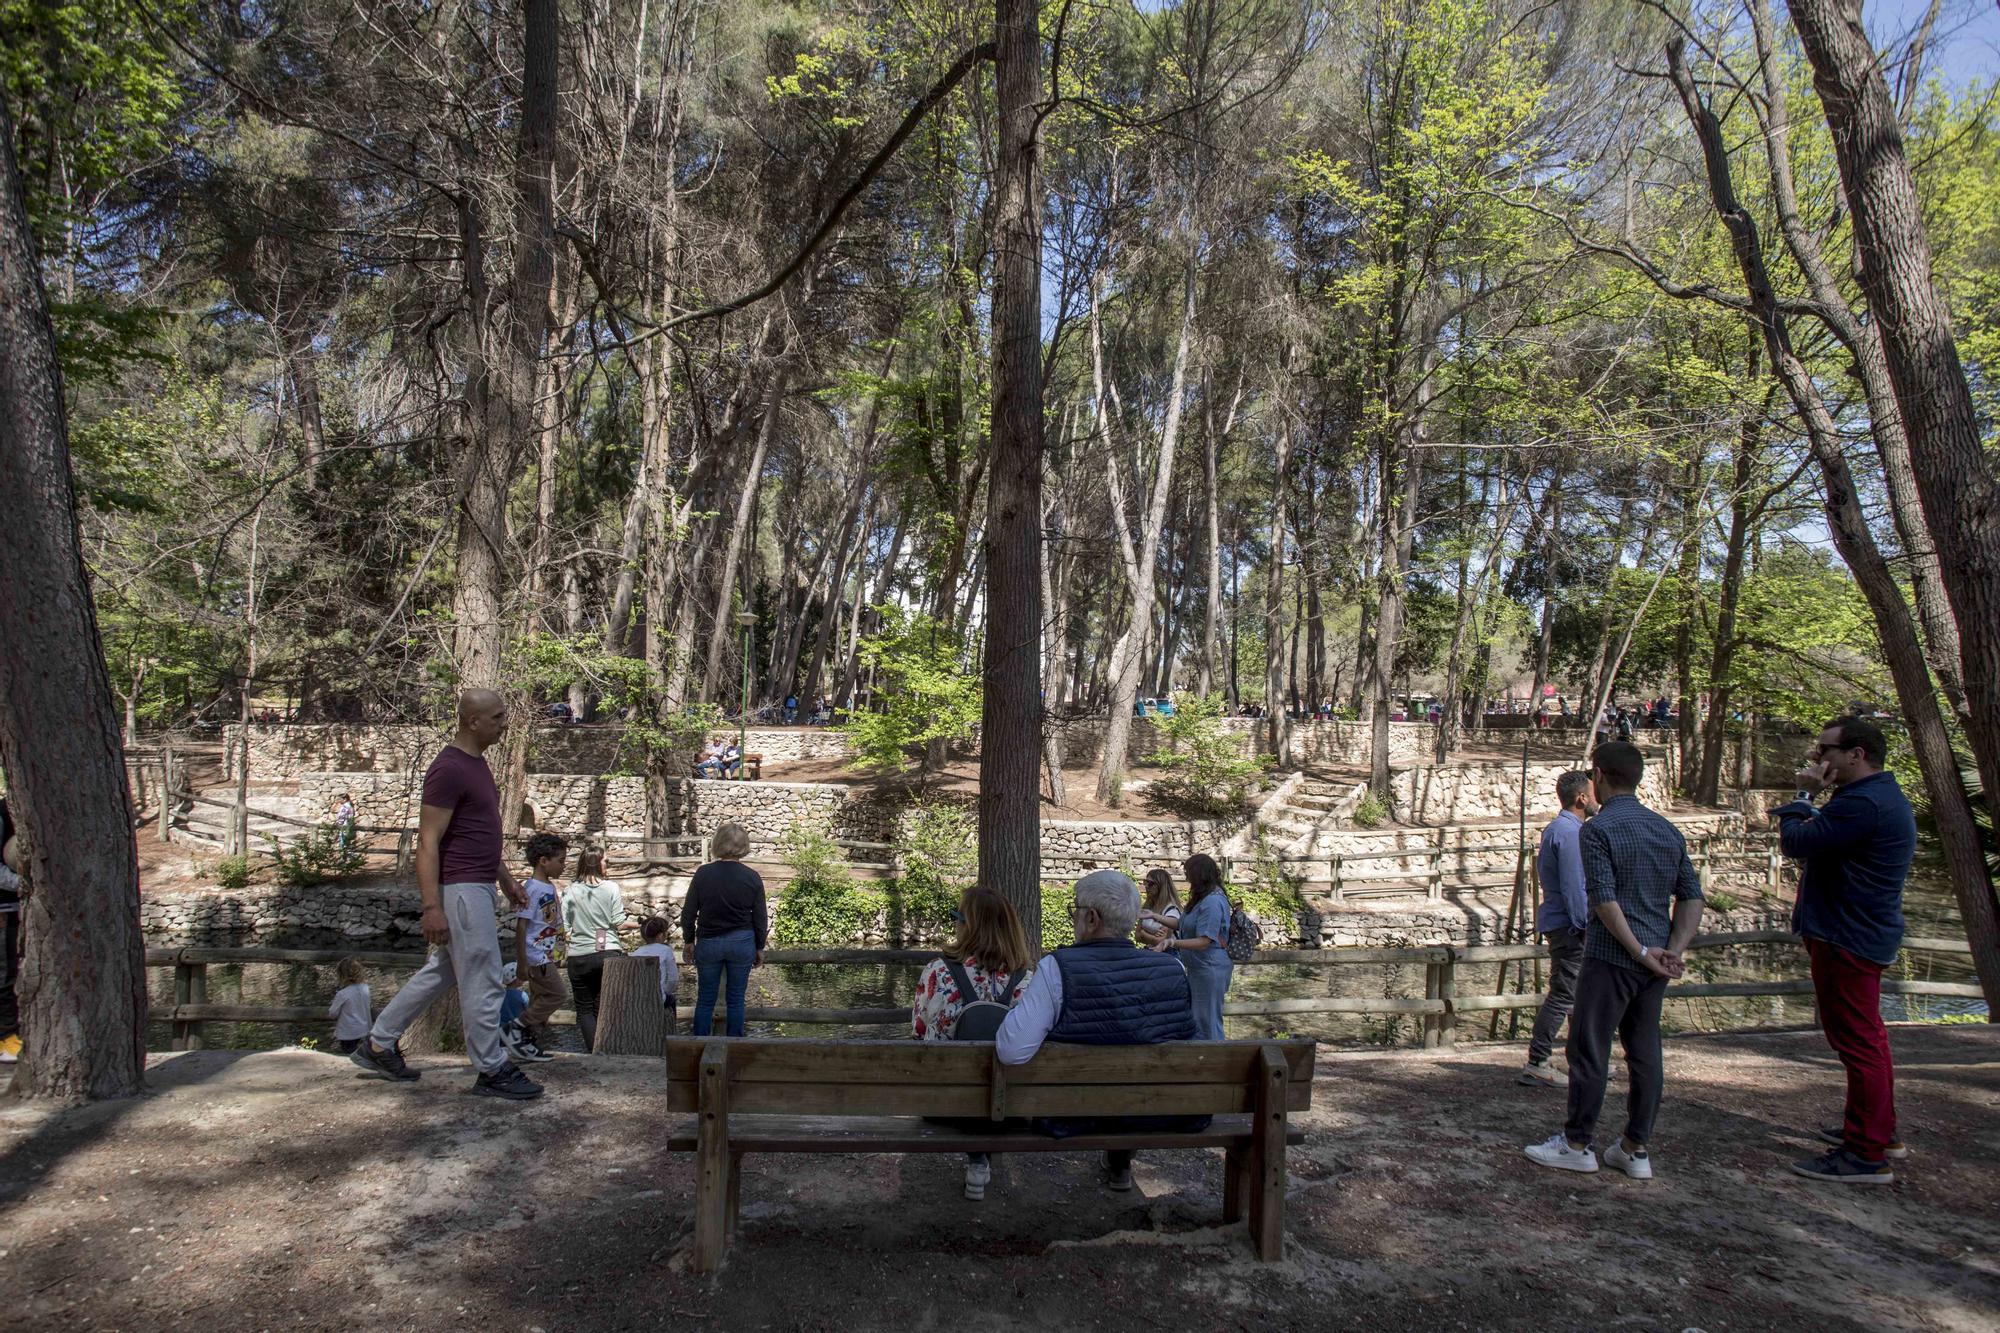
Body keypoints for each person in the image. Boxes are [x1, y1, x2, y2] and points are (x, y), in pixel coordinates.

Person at [351, 689, 542, 1099]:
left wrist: (506, 879)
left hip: (476, 885)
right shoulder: (449, 768)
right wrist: (431, 905)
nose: (505, 723)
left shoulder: (476, 765)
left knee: (443, 972)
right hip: (461, 891)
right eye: (497, 716)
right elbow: (429, 842)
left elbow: (474, 837)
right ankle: (492, 1069)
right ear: (472, 721)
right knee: (486, 979)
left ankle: (379, 1042)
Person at [1524, 741, 1701, 1180]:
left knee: (1590, 1047)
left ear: (1599, 775)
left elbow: (1601, 900)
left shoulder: (1598, 830)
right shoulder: (1667, 830)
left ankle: (1577, 1142)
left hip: (1611, 956)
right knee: (1644, 1052)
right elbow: (1692, 897)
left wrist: (1636, 949)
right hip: (1657, 959)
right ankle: (1635, 1147)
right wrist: (1671, 951)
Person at [1773, 715, 1917, 1185]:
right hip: (1853, 930)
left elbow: (1796, 843)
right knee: (1866, 1037)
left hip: (1847, 934)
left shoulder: (1866, 804)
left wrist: (1803, 795)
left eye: (1826, 750)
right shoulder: (1866, 799)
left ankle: (1865, 1154)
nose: (1818, 758)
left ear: (1857, 754)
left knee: (1857, 1041)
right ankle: (1877, 1130)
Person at [997, 870, 1205, 1192]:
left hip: (1074, 1114)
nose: (1074, 918)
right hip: (1157, 1111)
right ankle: (1119, 1162)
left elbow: (1011, 1050)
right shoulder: (1173, 968)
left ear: (1091, 918)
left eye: (1076, 910)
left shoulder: (1057, 969)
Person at [911, 887, 1036, 1200]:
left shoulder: (937, 972)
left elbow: (918, 1032)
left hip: (945, 1106)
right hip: (1012, 1108)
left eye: (958, 917)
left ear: (969, 926)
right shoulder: (1029, 981)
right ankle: (980, 1158)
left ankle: (978, 1158)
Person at [1520, 770, 1597, 1088]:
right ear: (1581, 798)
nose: (1596, 799)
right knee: (1564, 994)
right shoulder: (1568, 833)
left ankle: (1585, 1061)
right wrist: (1584, 925)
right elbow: (1574, 885)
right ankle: (1538, 1061)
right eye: (1592, 793)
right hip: (1569, 925)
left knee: (1577, 995)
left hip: (1564, 922)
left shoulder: (1563, 829)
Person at [680, 823, 768, 1037]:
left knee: (705, 999)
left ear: (717, 843)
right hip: (742, 941)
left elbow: (689, 912)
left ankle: (699, 1045)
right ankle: (734, 1047)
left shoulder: (703, 874)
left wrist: (689, 940)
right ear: (744, 846)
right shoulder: (752, 877)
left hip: (709, 941)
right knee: (736, 999)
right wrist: (759, 947)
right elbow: (760, 918)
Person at [503, 832, 569, 1064]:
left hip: (547, 954)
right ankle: (516, 1027)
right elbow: (522, 926)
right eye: (560, 860)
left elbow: (552, 923)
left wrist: (558, 953)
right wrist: (522, 962)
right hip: (536, 956)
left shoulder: (548, 887)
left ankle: (527, 1044)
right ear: (543, 861)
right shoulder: (532, 889)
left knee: (540, 998)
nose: (563, 866)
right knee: (557, 995)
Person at [1155, 854, 1233, 1040]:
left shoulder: (1213, 901)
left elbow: (1204, 940)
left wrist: (1172, 942)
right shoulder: (1202, 899)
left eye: (1189, 873)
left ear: (1199, 874)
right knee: (1197, 1019)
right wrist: (1153, 916)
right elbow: (1182, 924)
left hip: (1210, 968)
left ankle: (1215, 1061)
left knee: (1208, 1021)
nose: (1187, 877)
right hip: (1199, 968)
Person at [564, 847, 626, 1052]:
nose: (607, 865)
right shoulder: (611, 888)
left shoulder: (570, 890)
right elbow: (617, 920)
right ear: (596, 863)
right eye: (605, 861)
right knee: (606, 1006)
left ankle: (593, 1051)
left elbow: (564, 926)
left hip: (579, 955)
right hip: (607, 950)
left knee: (584, 1009)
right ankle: (609, 1047)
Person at [630, 917, 682, 1033]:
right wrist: (666, 991)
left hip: (638, 999)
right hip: (659, 998)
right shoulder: (666, 950)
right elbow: (673, 979)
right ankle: (670, 1032)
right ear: (660, 936)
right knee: (671, 1000)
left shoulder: (636, 953)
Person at [0, 797, 21, 1064]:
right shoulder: (2, 815)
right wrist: (27, 884)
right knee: (4, 974)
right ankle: (7, 1039)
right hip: (3, 910)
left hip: (11, 907)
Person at [328, 957, 372, 1055]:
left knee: (348, 1051)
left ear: (341, 975)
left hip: (348, 1031)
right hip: (363, 1028)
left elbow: (332, 1013)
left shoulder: (342, 994)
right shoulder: (365, 988)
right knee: (357, 1049)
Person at [1135, 869, 1182, 947]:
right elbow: (1137, 936)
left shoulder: (1171, 910)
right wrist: (1152, 937)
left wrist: (1143, 933)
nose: (1146, 886)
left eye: (1150, 883)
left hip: (1167, 955)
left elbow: (1160, 941)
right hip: (1151, 952)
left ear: (1161, 886)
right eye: (1145, 882)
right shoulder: (1148, 906)